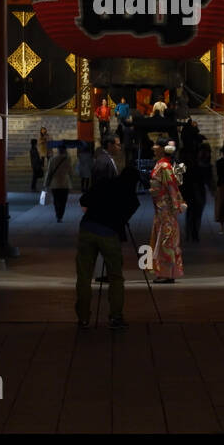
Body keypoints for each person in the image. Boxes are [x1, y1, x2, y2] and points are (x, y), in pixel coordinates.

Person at [75, 160, 141, 330]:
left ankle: (83, 317)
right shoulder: (133, 200)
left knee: (84, 276)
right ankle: (115, 316)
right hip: (109, 234)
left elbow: (84, 200)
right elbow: (123, 220)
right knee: (116, 277)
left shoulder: (104, 183)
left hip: (88, 229)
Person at [149, 141, 186, 281]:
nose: (153, 147)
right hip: (160, 206)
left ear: (163, 149)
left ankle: (167, 272)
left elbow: (171, 187)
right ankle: (164, 272)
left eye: (156, 145)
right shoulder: (161, 164)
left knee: (167, 238)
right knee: (163, 236)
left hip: (165, 206)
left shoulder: (164, 166)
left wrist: (176, 205)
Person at [44, 140, 74, 222]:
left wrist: (46, 183)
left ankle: (58, 215)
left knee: (56, 200)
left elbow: (49, 172)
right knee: (63, 201)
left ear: (58, 150)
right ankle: (60, 215)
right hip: (65, 183)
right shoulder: (68, 159)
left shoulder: (53, 159)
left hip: (55, 184)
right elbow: (71, 172)